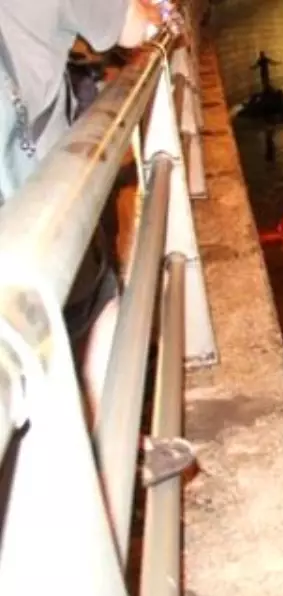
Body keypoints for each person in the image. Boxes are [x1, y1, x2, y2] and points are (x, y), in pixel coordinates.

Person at [0, 0, 172, 423]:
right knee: (99, 309)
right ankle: (102, 460)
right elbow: (133, 30)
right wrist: (158, 13)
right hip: (36, 200)